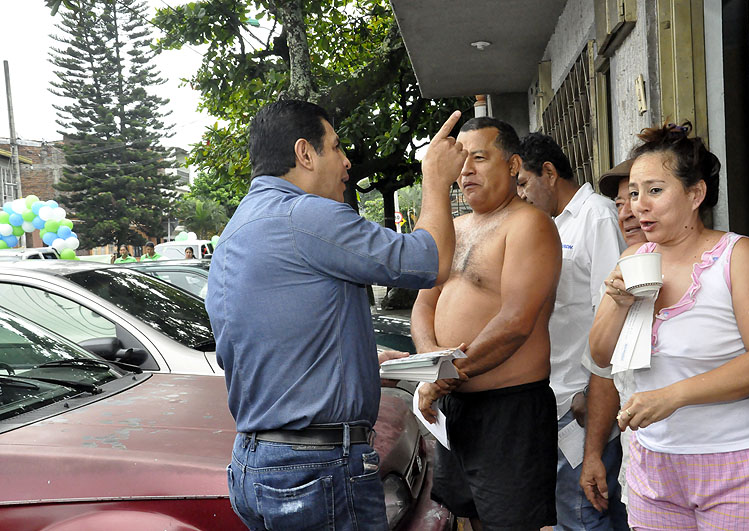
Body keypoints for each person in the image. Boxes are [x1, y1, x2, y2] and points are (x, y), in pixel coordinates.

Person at [205, 99, 466, 530]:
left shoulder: (237, 229)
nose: (347, 162)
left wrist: (362, 366)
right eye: (337, 146)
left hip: (256, 464)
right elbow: (429, 260)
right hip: (317, 470)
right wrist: (435, 180)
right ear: (304, 153)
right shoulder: (306, 215)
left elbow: (272, 346)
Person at [590, 122, 749, 529]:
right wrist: (618, 304)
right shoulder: (632, 259)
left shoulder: (736, 256)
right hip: (652, 465)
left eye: (654, 190)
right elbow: (601, 355)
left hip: (734, 463)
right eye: (634, 193)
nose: (639, 205)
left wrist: (672, 396)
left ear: (695, 194)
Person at [412, 117, 562, 530]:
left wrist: (446, 374)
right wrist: (431, 364)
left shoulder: (529, 224)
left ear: (512, 165)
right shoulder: (453, 229)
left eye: (479, 158)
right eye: (461, 160)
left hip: (509, 408)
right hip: (455, 403)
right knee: (469, 517)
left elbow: (516, 321)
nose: (466, 170)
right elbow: (423, 305)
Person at [517, 132, 627, 530]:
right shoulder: (549, 226)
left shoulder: (596, 217)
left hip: (583, 400)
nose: (521, 195)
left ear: (549, 173)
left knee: (583, 514)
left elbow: (613, 312)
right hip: (558, 395)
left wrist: (592, 390)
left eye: (523, 183)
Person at [579, 159, 647, 512]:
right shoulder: (621, 275)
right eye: (622, 202)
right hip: (643, 470)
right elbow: (604, 370)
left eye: (645, 194)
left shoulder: (718, 264)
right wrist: (593, 455)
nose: (628, 213)